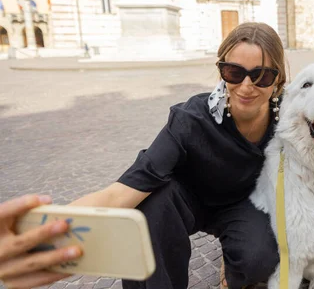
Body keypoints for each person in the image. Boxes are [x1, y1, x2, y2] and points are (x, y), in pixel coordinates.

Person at [0, 23, 286, 289]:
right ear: (221, 70)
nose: (247, 86)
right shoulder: (189, 120)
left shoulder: (292, 118)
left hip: (245, 206)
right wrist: (42, 235)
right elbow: (117, 195)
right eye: (234, 72)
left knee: (258, 262)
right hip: (185, 202)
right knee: (146, 206)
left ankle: (234, 264)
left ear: (278, 80)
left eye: (262, 76)